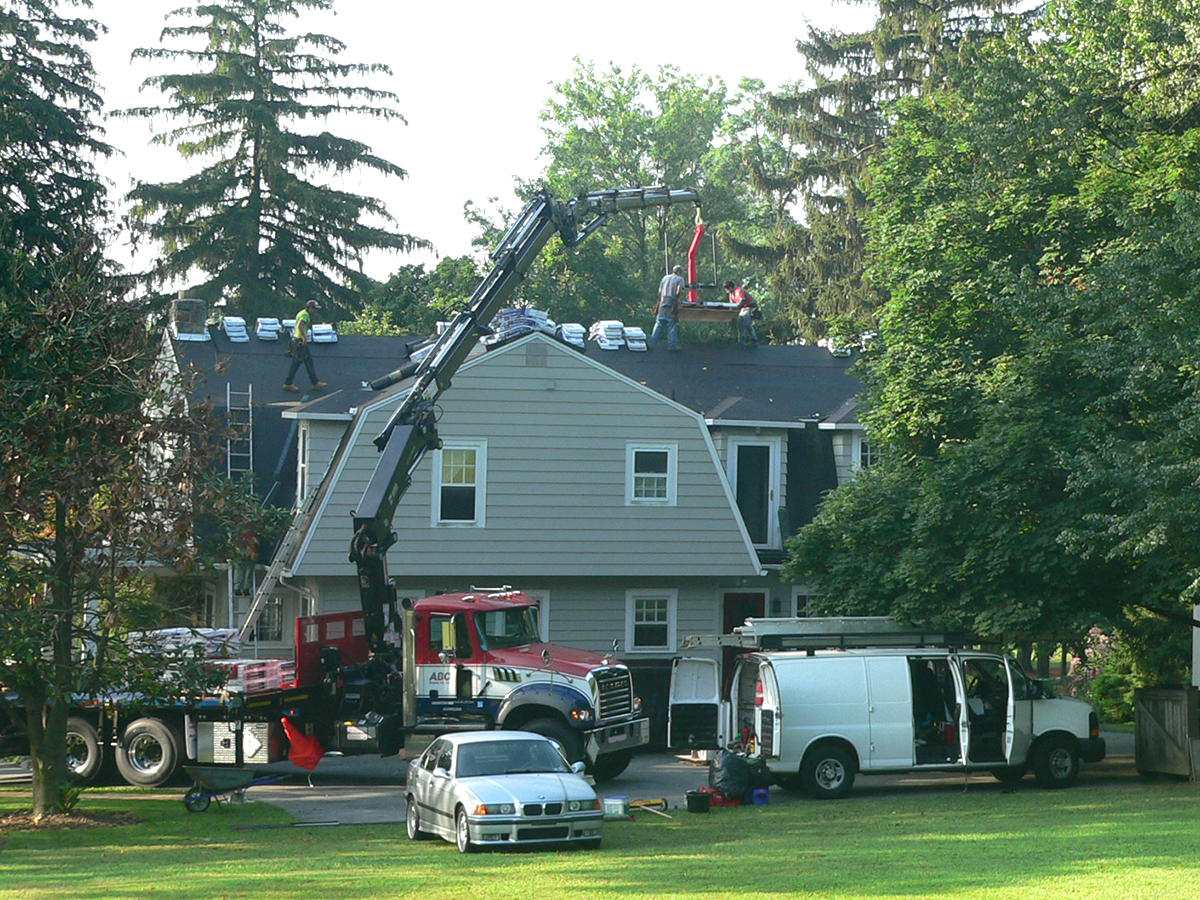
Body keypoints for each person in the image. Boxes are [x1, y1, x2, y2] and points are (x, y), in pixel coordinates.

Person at [283, 298, 328, 392]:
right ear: (310, 308)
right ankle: (288, 383)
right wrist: (304, 338)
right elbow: (300, 326)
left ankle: (314, 382)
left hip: (297, 340)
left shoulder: (302, 313)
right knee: (299, 363)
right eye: (314, 309)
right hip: (299, 341)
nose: (315, 311)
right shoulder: (305, 315)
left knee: (306, 361)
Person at [649, 264, 684, 351]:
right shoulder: (680, 279)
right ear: (679, 272)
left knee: (659, 324)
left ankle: (651, 343)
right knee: (672, 324)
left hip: (662, 302)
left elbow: (659, 291)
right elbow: (679, 290)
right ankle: (672, 346)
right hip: (671, 302)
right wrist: (677, 299)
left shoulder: (665, 278)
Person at [724, 279, 759, 345]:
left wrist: (738, 308)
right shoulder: (731, 294)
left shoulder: (738, 291)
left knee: (746, 321)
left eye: (727, 289)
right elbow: (732, 304)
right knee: (740, 322)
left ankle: (754, 338)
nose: (726, 291)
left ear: (730, 288)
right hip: (743, 308)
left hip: (750, 306)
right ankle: (741, 340)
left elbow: (743, 300)